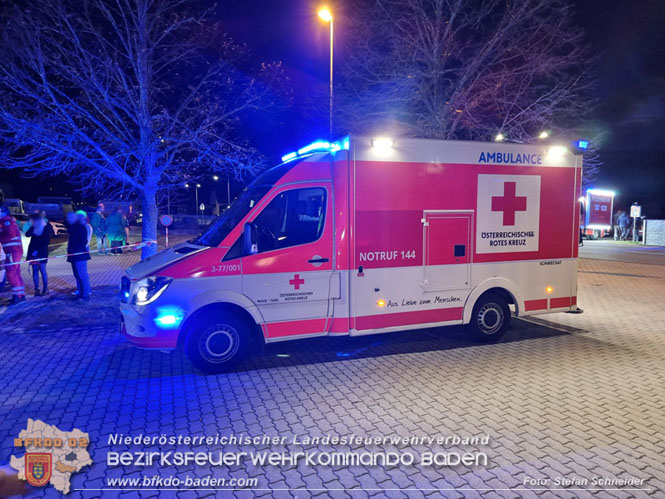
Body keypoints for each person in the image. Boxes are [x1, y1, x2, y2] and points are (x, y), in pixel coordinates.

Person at [0, 205, 26, 305]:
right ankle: (19, 294)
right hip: (12, 251)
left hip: (12, 251)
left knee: (12, 273)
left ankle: (18, 296)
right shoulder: (6, 221)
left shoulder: (6, 221)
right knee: (15, 273)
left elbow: (9, 234)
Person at [26, 212, 54, 296]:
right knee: (35, 270)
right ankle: (37, 289)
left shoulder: (47, 226)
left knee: (42, 270)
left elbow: (46, 241)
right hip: (33, 252)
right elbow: (27, 234)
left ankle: (45, 289)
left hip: (41, 252)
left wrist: (37, 250)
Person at [66, 211, 91, 300]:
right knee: (77, 275)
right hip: (74, 255)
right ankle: (81, 293)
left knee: (82, 275)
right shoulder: (73, 227)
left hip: (79, 255)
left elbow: (84, 241)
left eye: (70, 218)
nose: (68, 220)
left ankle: (85, 295)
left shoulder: (80, 227)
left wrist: (75, 249)